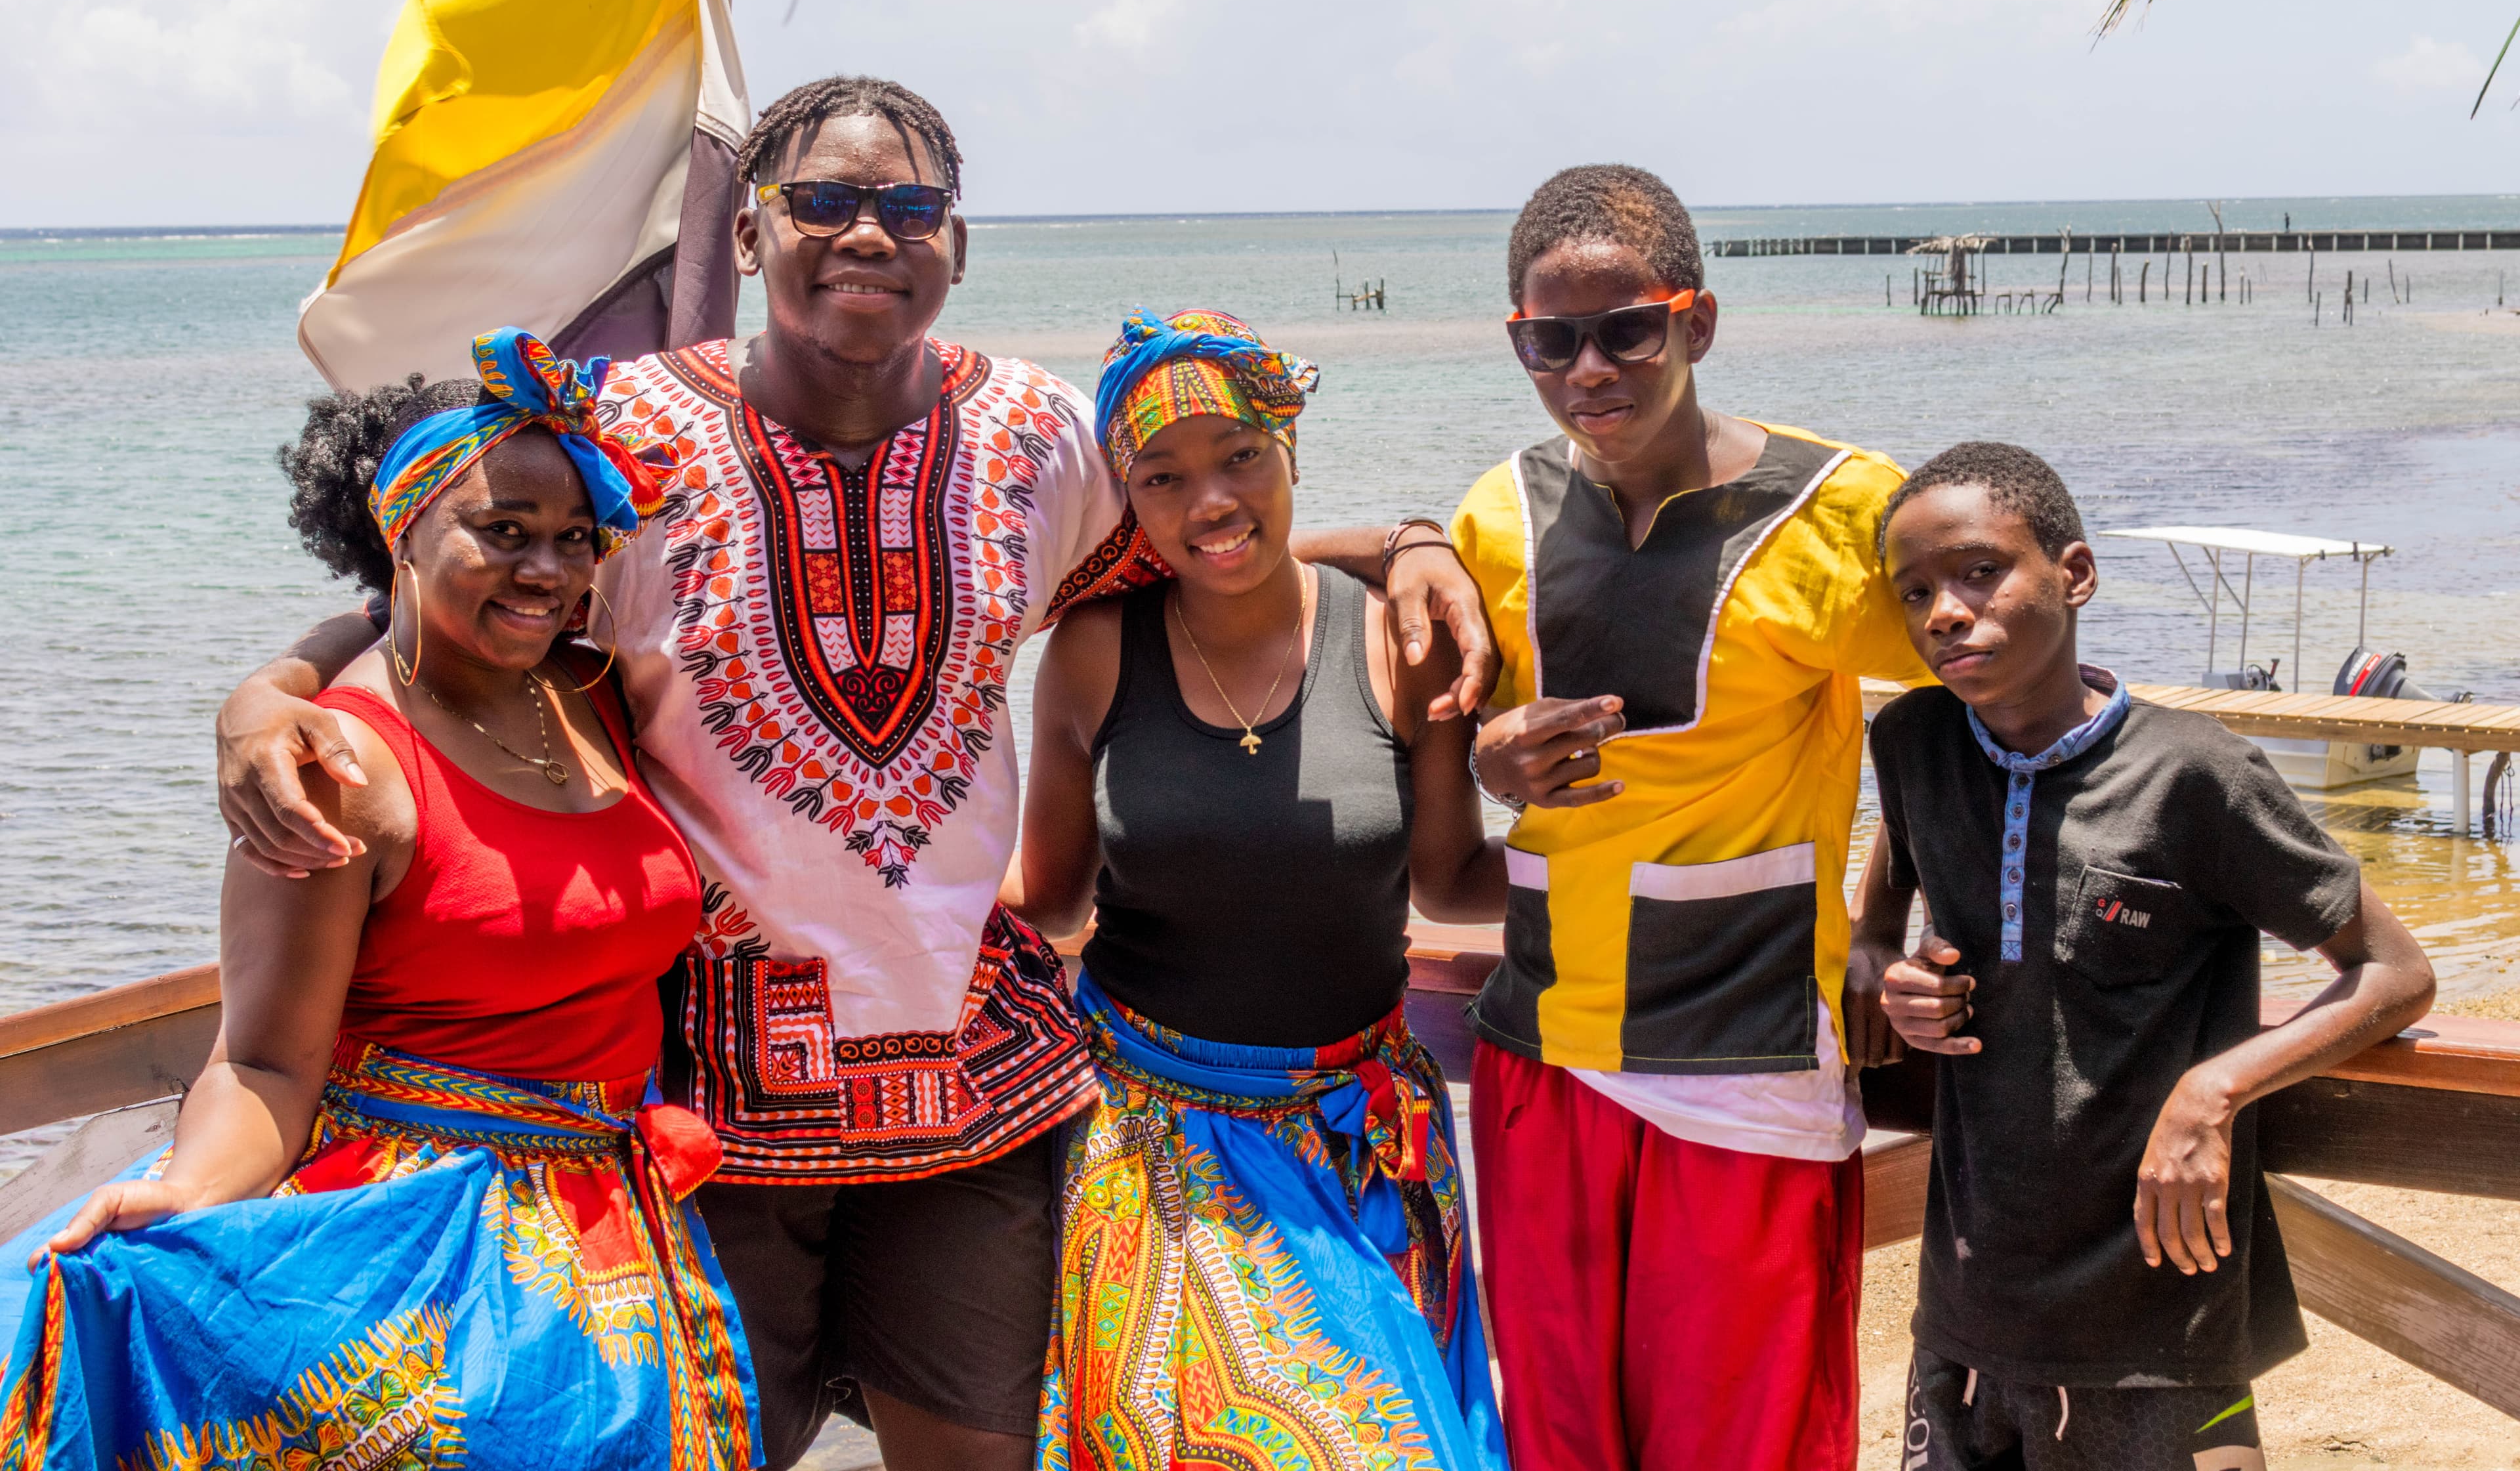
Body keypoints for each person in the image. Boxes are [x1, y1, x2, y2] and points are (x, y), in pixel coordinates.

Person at [209, 77, 1498, 1471]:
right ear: (751, 234)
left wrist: (1408, 541)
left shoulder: (1044, 430)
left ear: (959, 240)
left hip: (978, 1086)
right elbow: (454, 591)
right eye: (821, 200)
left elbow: (1221, 525)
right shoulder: (626, 436)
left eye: (909, 205)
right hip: (698, 1103)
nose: (867, 232)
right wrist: (274, 688)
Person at [0, 329, 756, 1468]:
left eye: (573, 539)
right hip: (412, 1248)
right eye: (500, 534)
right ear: (403, 532)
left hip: (621, 1224)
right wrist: (193, 1189)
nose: (546, 571)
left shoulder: (588, 687)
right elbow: (262, 1060)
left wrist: (263, 684)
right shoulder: (337, 772)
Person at [1452, 164, 1932, 1470]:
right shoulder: (1496, 515)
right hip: (1541, 1050)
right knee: (1557, 1439)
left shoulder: (1841, 509)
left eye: (1627, 329)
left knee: (1745, 1438)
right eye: (1549, 341)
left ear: (1697, 324)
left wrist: (1891, 918)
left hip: (1747, 1060)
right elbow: (1449, 742)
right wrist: (1490, 764)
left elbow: (1990, 707)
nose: (1586, 368)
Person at [1864, 442, 2435, 1471]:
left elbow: (2395, 971)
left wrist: (2214, 1092)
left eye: (1980, 571)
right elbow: (1884, 916)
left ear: (2074, 574)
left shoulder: (2197, 775)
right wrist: (1892, 980)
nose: (1944, 610)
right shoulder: (1913, 743)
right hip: (1967, 1306)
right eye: (1915, 591)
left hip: (2156, 1316)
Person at [1007, 310, 1508, 1470]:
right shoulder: (1093, 647)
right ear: (1126, 500)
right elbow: (1056, 899)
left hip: (1369, 1138)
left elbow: (1450, 879)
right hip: (1154, 1134)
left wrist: (1632, 858)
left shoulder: (1399, 639)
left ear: (1291, 449)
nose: (1211, 503)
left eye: (1241, 457)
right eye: (1163, 477)